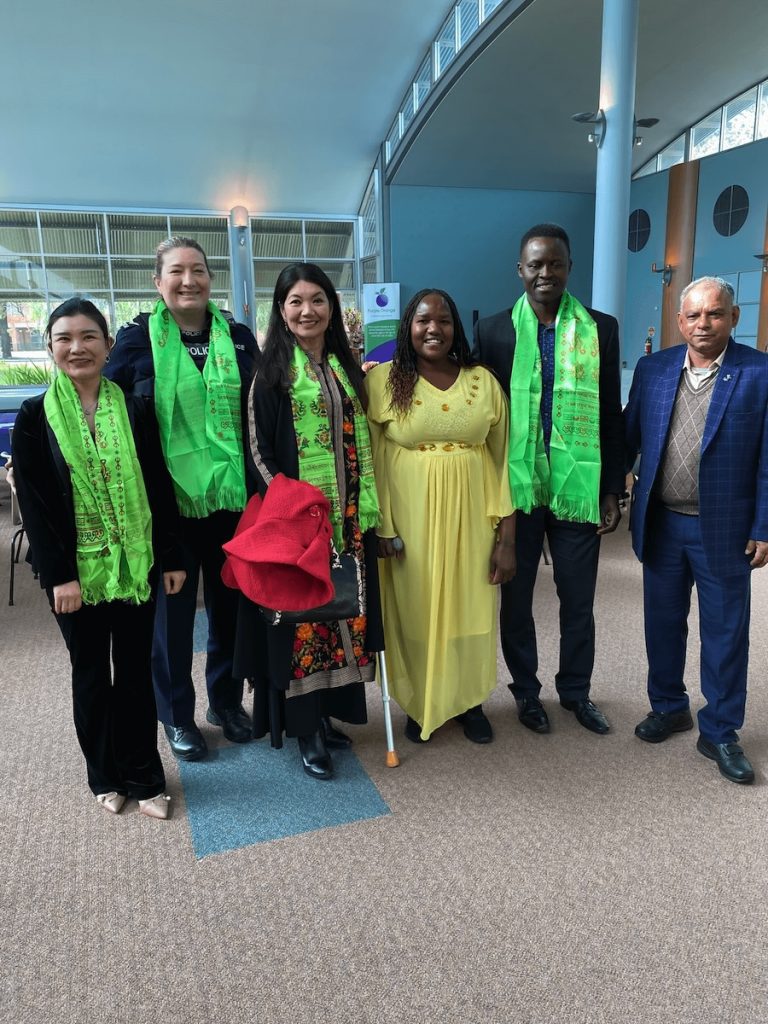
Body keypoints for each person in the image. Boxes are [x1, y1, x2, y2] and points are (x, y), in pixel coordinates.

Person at [12, 298, 186, 818]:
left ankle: (144, 774)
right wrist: (60, 576)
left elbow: (158, 486)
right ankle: (103, 776)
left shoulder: (133, 408)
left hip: (135, 566)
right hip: (73, 576)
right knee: (90, 674)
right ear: (49, 348)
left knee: (134, 672)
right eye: (64, 338)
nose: (77, 347)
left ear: (108, 345)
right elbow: (37, 507)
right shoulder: (34, 415)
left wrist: (171, 556)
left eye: (89, 336)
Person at [105, 237, 258, 761]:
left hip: (232, 505)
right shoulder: (134, 344)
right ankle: (175, 715)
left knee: (231, 609)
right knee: (169, 621)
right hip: (164, 508)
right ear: (158, 282)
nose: (188, 280)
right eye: (177, 271)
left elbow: (262, 410)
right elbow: (107, 415)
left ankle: (226, 702)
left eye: (198, 270)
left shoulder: (237, 339)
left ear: (210, 278)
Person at [233, 262, 383, 780]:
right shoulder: (269, 373)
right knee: (301, 625)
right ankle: (305, 729)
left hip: (348, 521)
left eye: (318, 300)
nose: (307, 311)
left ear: (331, 308)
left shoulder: (345, 364)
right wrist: (295, 509)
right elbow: (256, 453)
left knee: (344, 615)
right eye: (296, 301)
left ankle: (328, 713)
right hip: (300, 525)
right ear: (281, 310)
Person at [473, 223, 624, 736]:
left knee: (577, 598)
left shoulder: (600, 328)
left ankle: (576, 691)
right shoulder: (493, 330)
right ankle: (526, 693)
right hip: (519, 487)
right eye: (535, 264)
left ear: (569, 267)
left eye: (554, 263)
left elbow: (610, 410)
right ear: (520, 270)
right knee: (517, 599)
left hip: (576, 486)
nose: (545, 273)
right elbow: (486, 413)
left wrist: (611, 488)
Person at [626, 277, 768, 784]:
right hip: (662, 523)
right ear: (679, 320)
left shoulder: (760, 373)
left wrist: (764, 526)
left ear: (733, 317)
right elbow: (628, 434)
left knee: (726, 634)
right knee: (661, 625)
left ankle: (721, 732)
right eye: (693, 315)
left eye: (714, 314)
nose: (702, 324)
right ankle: (669, 706)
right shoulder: (654, 368)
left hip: (725, 529)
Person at [366, 289, 516, 743]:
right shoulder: (383, 381)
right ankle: (423, 699)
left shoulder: (482, 381)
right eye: (423, 320)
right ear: (407, 327)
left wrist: (507, 538)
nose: (434, 329)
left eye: (444, 320)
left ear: (456, 328)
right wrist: (381, 526)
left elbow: (505, 458)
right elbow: (370, 461)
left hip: (475, 517)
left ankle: (469, 700)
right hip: (410, 518)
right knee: (416, 609)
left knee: (470, 609)